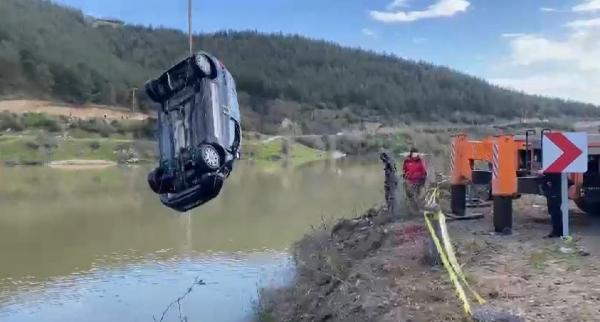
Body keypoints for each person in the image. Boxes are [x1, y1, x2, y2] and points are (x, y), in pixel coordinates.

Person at [542, 173, 563, 238]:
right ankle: (557, 231)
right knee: (553, 209)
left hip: (554, 185)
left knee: (555, 209)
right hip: (551, 184)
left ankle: (558, 232)